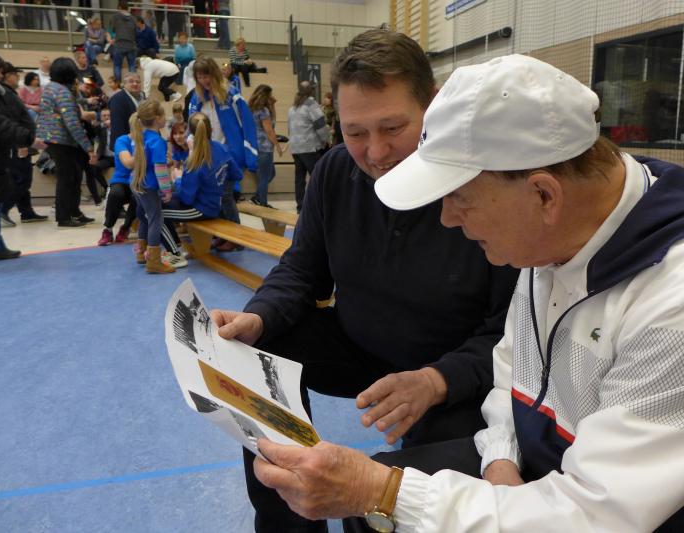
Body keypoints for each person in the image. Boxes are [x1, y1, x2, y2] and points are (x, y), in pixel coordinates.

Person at [251, 53, 684, 533]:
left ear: (543, 195)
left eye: (460, 197)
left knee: (379, 503)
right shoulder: (563, 234)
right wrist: (500, 462)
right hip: (555, 472)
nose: (447, 217)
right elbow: (516, 375)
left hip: (674, 515)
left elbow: (596, 517)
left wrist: (383, 493)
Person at [210, 30, 520, 533]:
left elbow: (513, 336)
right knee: (259, 354)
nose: (376, 152)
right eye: (355, 133)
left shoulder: (483, 188)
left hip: (451, 375)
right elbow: (301, 269)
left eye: (393, 127)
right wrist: (258, 316)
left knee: (401, 496)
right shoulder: (334, 173)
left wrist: (436, 381)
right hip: (359, 347)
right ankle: (286, 524)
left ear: (433, 106)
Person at [187, 56, 257, 229]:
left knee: (226, 196)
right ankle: (221, 233)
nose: (204, 80)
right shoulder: (196, 98)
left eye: (206, 76)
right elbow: (192, 126)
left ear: (214, 74)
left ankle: (234, 233)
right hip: (208, 156)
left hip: (228, 156)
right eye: (200, 77)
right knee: (213, 198)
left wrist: (250, 153)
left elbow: (248, 123)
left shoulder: (231, 94)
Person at [160, 113, 241, 252]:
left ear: (190, 134)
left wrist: (178, 179)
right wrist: (219, 186)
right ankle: (176, 246)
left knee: (155, 213)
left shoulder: (195, 159)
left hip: (202, 209)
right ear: (211, 130)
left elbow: (187, 198)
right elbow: (237, 174)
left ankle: (174, 251)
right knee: (159, 201)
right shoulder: (221, 148)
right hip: (214, 204)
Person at [37, 57, 97, 228]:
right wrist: (88, 148)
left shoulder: (50, 88)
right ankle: (64, 217)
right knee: (67, 178)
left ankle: (74, 212)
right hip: (61, 140)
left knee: (74, 175)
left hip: (54, 139)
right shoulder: (62, 92)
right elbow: (72, 123)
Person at [129, 100, 175, 274]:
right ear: (157, 118)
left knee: (144, 217)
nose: (166, 118)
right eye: (164, 115)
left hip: (137, 183)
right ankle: (154, 262)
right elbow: (160, 169)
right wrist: (167, 190)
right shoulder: (157, 140)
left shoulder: (141, 136)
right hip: (149, 186)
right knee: (156, 219)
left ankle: (141, 253)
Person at [0, 63, 47, 226]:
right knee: (22, 179)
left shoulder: (9, 93)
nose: (18, 77)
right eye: (15, 74)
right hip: (18, 145)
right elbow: (12, 122)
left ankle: (26, 212)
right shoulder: (6, 95)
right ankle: (3, 210)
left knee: (21, 179)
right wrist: (21, 144)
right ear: (7, 75)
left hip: (22, 142)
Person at [287, 81, 327, 213]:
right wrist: (325, 140)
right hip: (309, 147)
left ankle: (301, 206)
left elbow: (289, 129)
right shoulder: (311, 104)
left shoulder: (293, 107)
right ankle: (319, 206)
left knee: (299, 179)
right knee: (317, 177)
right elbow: (320, 124)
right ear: (311, 91)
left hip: (296, 148)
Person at [98, 123, 136, 246]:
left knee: (139, 196)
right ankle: (108, 229)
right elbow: (128, 163)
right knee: (115, 194)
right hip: (121, 180)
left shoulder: (148, 141)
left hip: (138, 181)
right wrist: (145, 152)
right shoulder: (122, 140)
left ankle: (125, 227)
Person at [248, 84, 282, 207]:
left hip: (256, 146)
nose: (271, 97)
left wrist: (272, 105)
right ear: (266, 96)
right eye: (270, 95)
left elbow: (272, 123)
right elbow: (269, 130)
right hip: (265, 147)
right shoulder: (263, 111)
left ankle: (256, 197)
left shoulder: (252, 109)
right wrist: (277, 146)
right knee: (264, 177)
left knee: (270, 174)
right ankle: (263, 203)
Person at [108, 72, 144, 152]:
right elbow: (118, 126)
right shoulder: (117, 99)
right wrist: (123, 148)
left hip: (139, 141)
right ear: (124, 84)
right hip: (125, 145)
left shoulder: (142, 97)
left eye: (138, 82)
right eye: (131, 81)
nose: (135, 84)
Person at [110, 0, 138, 82]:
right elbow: (136, 33)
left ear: (119, 7)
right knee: (132, 66)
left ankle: (118, 85)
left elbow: (112, 30)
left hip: (119, 45)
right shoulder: (133, 18)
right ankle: (133, 84)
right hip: (131, 45)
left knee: (117, 66)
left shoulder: (115, 17)